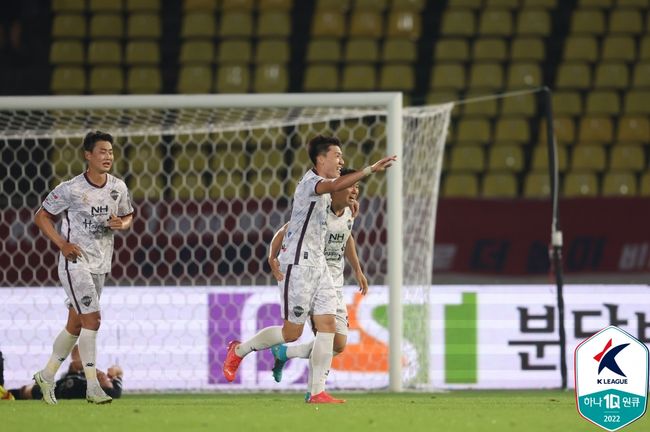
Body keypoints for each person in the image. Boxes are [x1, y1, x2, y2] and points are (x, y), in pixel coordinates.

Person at [223, 135, 395, 404]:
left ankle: (317, 392)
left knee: (328, 326)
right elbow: (298, 218)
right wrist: (370, 169)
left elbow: (340, 208)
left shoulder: (335, 200)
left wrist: (348, 206)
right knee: (292, 332)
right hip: (298, 264)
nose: (341, 160)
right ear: (321, 159)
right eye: (337, 155)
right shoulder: (310, 185)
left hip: (321, 267)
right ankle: (240, 350)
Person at [33, 130, 133, 405]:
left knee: (76, 324)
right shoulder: (71, 188)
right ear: (88, 155)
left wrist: (120, 224)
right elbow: (41, 216)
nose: (108, 157)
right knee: (93, 320)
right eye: (102, 151)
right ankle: (93, 387)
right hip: (74, 263)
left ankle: (46, 375)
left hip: (101, 263)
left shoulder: (118, 187)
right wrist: (62, 244)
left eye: (111, 152)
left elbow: (128, 216)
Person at [268, 168, 368, 400]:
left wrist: (358, 269)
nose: (355, 191)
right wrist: (272, 257)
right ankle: (315, 392)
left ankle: (285, 353)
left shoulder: (349, 213)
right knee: (326, 335)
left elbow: (347, 236)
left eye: (357, 188)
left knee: (339, 344)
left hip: (336, 283)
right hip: (314, 279)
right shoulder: (318, 211)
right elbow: (285, 230)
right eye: (351, 186)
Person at [8, 346, 123, 401]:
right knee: (27, 390)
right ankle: (8, 393)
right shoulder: (86, 375)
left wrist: (76, 366)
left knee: (27, 391)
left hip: (55, 391)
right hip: (56, 386)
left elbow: (71, 380)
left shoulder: (97, 384)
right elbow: (119, 374)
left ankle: (9, 394)